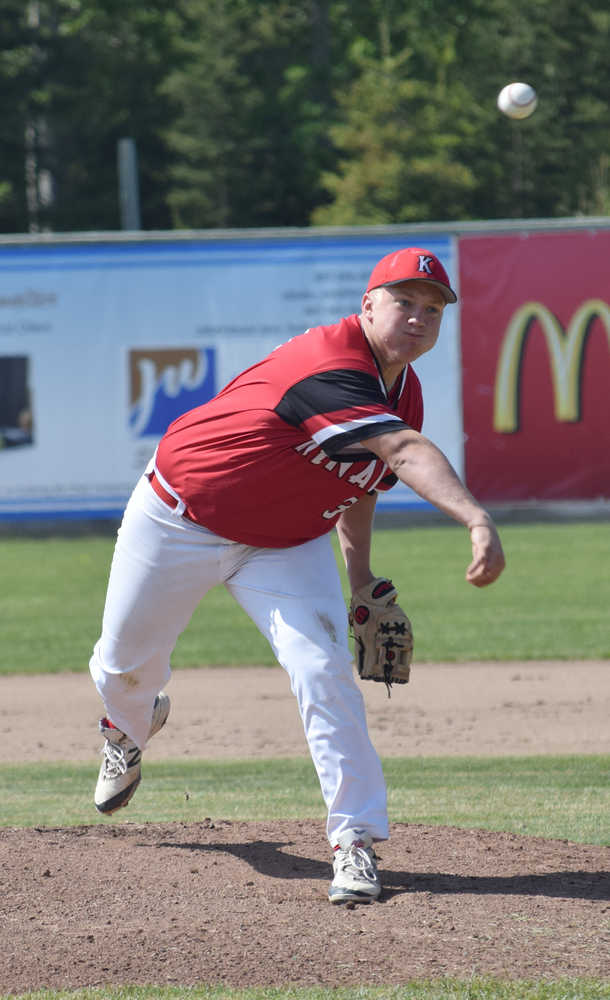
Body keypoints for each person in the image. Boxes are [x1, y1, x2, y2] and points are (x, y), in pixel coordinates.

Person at [89, 246, 505, 904]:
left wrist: (362, 581)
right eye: (404, 303)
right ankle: (128, 730)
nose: (420, 318)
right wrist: (476, 518)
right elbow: (400, 449)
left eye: (433, 309)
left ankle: (355, 842)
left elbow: (362, 481)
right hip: (179, 516)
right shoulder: (332, 366)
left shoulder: (403, 390)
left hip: (284, 544)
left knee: (325, 672)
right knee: (121, 670)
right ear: (367, 305)